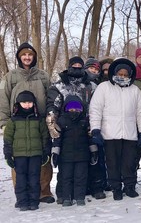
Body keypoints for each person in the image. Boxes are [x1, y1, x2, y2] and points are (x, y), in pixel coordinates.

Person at [0, 42, 55, 204]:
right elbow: (3, 99)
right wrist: (4, 121)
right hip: (18, 123)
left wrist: (51, 117)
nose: (27, 57)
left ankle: (44, 192)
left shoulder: (43, 76)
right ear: (19, 57)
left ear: (34, 57)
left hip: (40, 123)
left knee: (43, 157)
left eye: (30, 55)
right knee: (20, 160)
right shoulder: (11, 76)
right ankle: (22, 195)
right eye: (24, 55)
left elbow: (51, 97)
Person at [89, 58, 141, 200]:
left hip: (129, 133)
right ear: (114, 73)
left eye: (125, 74)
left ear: (129, 75)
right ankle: (116, 188)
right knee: (112, 163)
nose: (122, 76)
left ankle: (129, 186)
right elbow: (95, 109)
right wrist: (95, 129)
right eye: (120, 74)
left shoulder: (135, 91)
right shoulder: (104, 88)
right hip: (110, 133)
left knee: (129, 163)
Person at [46, 56, 103, 202]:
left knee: (90, 159)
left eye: (80, 65)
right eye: (74, 65)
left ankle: (92, 189)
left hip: (87, 127)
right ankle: (63, 193)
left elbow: (99, 105)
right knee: (66, 165)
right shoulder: (59, 85)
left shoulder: (92, 86)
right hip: (66, 128)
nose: (77, 67)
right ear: (69, 66)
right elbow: (53, 105)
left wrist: (96, 125)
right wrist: (53, 125)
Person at [3, 91, 49, 211]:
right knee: (21, 179)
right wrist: (8, 154)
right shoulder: (13, 120)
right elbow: (8, 138)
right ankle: (22, 201)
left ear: (33, 104)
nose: (27, 105)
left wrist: (45, 152)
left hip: (36, 154)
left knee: (34, 178)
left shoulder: (39, 119)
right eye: (24, 102)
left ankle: (34, 201)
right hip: (19, 155)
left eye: (29, 102)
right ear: (18, 104)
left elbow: (45, 137)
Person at [52, 96, 96, 207]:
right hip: (66, 157)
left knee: (80, 177)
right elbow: (57, 139)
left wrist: (94, 151)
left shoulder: (84, 121)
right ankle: (66, 197)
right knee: (66, 177)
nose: (74, 111)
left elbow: (90, 138)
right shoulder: (61, 121)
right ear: (66, 109)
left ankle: (79, 197)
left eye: (77, 108)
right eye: (71, 109)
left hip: (82, 156)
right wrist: (55, 153)